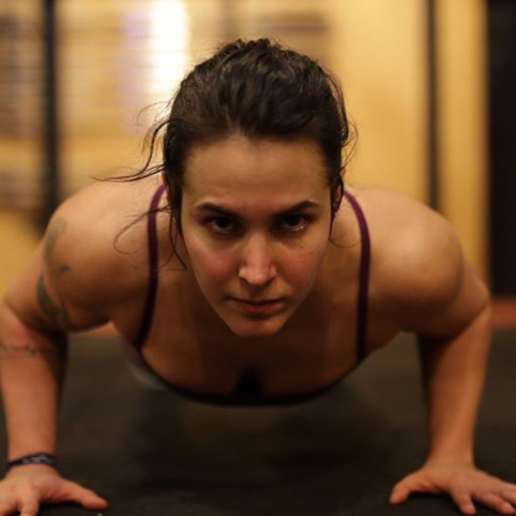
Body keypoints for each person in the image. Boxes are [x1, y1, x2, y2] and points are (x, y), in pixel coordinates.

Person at [0, 38, 515, 516]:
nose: (257, 272)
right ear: (174, 198)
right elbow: (23, 315)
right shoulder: (99, 244)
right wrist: (30, 462)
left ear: (336, 195)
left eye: (293, 222)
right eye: (222, 223)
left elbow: (465, 315)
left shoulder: (408, 255)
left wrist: (452, 456)